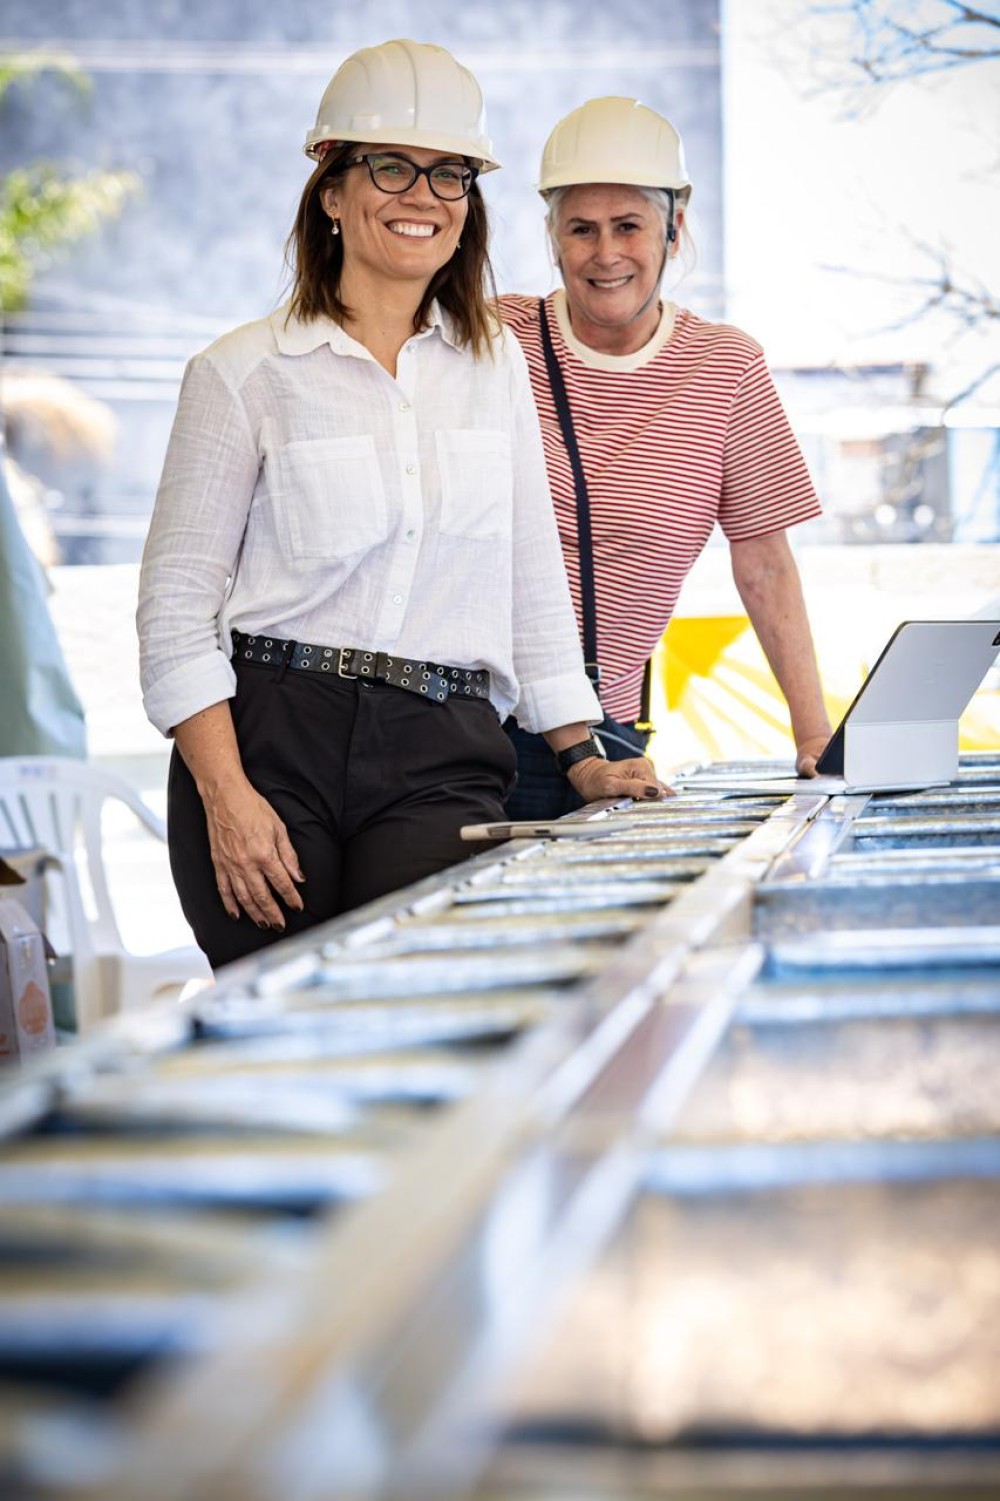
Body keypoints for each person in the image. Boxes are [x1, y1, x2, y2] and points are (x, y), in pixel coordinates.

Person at [137, 42, 667, 971]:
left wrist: (583, 755)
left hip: (440, 749)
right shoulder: (240, 374)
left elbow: (528, 578)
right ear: (331, 191)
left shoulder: (494, 364)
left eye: (450, 173)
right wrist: (226, 796)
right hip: (270, 740)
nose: (423, 194)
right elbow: (175, 613)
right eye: (390, 166)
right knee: (281, 1040)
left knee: (422, 1011)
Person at [500, 96, 833, 819]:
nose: (606, 253)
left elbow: (765, 559)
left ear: (674, 229)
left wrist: (815, 737)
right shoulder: (498, 338)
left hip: (613, 732)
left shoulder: (725, 366)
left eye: (629, 226)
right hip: (476, 731)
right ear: (553, 236)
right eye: (581, 229)